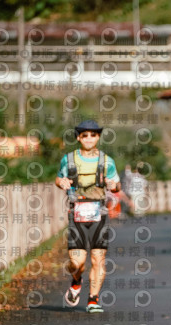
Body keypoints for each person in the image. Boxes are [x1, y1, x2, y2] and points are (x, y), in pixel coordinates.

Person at [55, 119, 121, 313]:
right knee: (77, 262)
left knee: (98, 258)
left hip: (99, 213)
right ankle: (76, 281)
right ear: (78, 137)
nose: (89, 138)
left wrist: (113, 185)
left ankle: (93, 299)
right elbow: (58, 178)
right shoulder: (68, 159)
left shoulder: (107, 161)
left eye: (93, 135)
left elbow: (117, 185)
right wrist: (62, 183)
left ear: (98, 137)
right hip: (77, 213)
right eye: (85, 135)